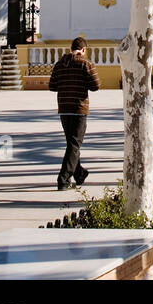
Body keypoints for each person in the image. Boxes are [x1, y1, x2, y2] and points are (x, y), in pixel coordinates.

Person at [49, 35, 100, 190]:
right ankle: (63, 179)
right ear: (83, 50)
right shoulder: (86, 64)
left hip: (64, 108)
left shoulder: (59, 64)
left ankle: (79, 174)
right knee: (74, 144)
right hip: (79, 108)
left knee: (72, 144)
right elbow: (95, 85)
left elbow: (52, 86)